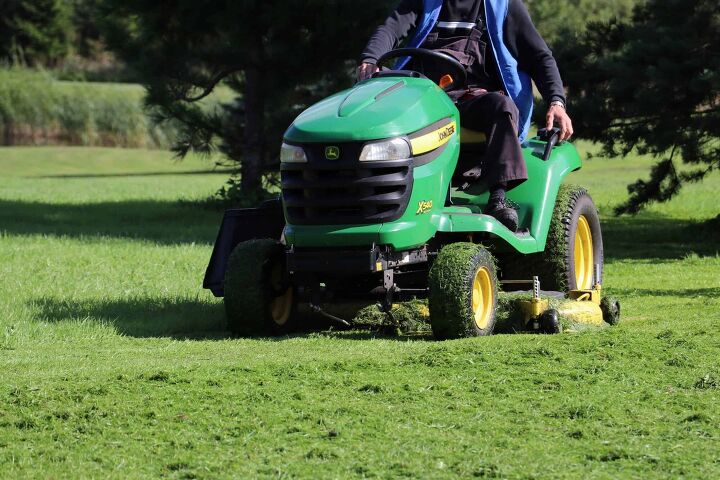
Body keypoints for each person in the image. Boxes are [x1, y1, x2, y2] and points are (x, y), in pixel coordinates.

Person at [357, 0, 573, 232]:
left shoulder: (503, 6)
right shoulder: (425, 2)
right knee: (385, 102)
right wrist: (370, 59)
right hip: (425, 98)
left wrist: (556, 101)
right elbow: (391, 28)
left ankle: (498, 198)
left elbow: (539, 56)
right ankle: (374, 198)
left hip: (473, 99)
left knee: (502, 105)